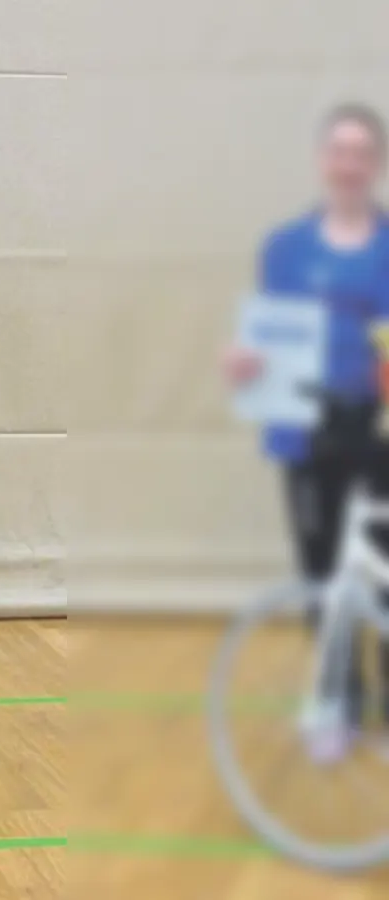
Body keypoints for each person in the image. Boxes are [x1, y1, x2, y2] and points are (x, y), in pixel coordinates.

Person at [223, 102, 389, 764]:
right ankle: (339, 703)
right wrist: (247, 363)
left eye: (362, 152)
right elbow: (268, 338)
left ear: (376, 164)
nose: (349, 164)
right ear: (323, 160)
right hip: (307, 435)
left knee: (382, 574)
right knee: (322, 573)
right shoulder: (285, 249)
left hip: (377, 433)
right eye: (339, 151)